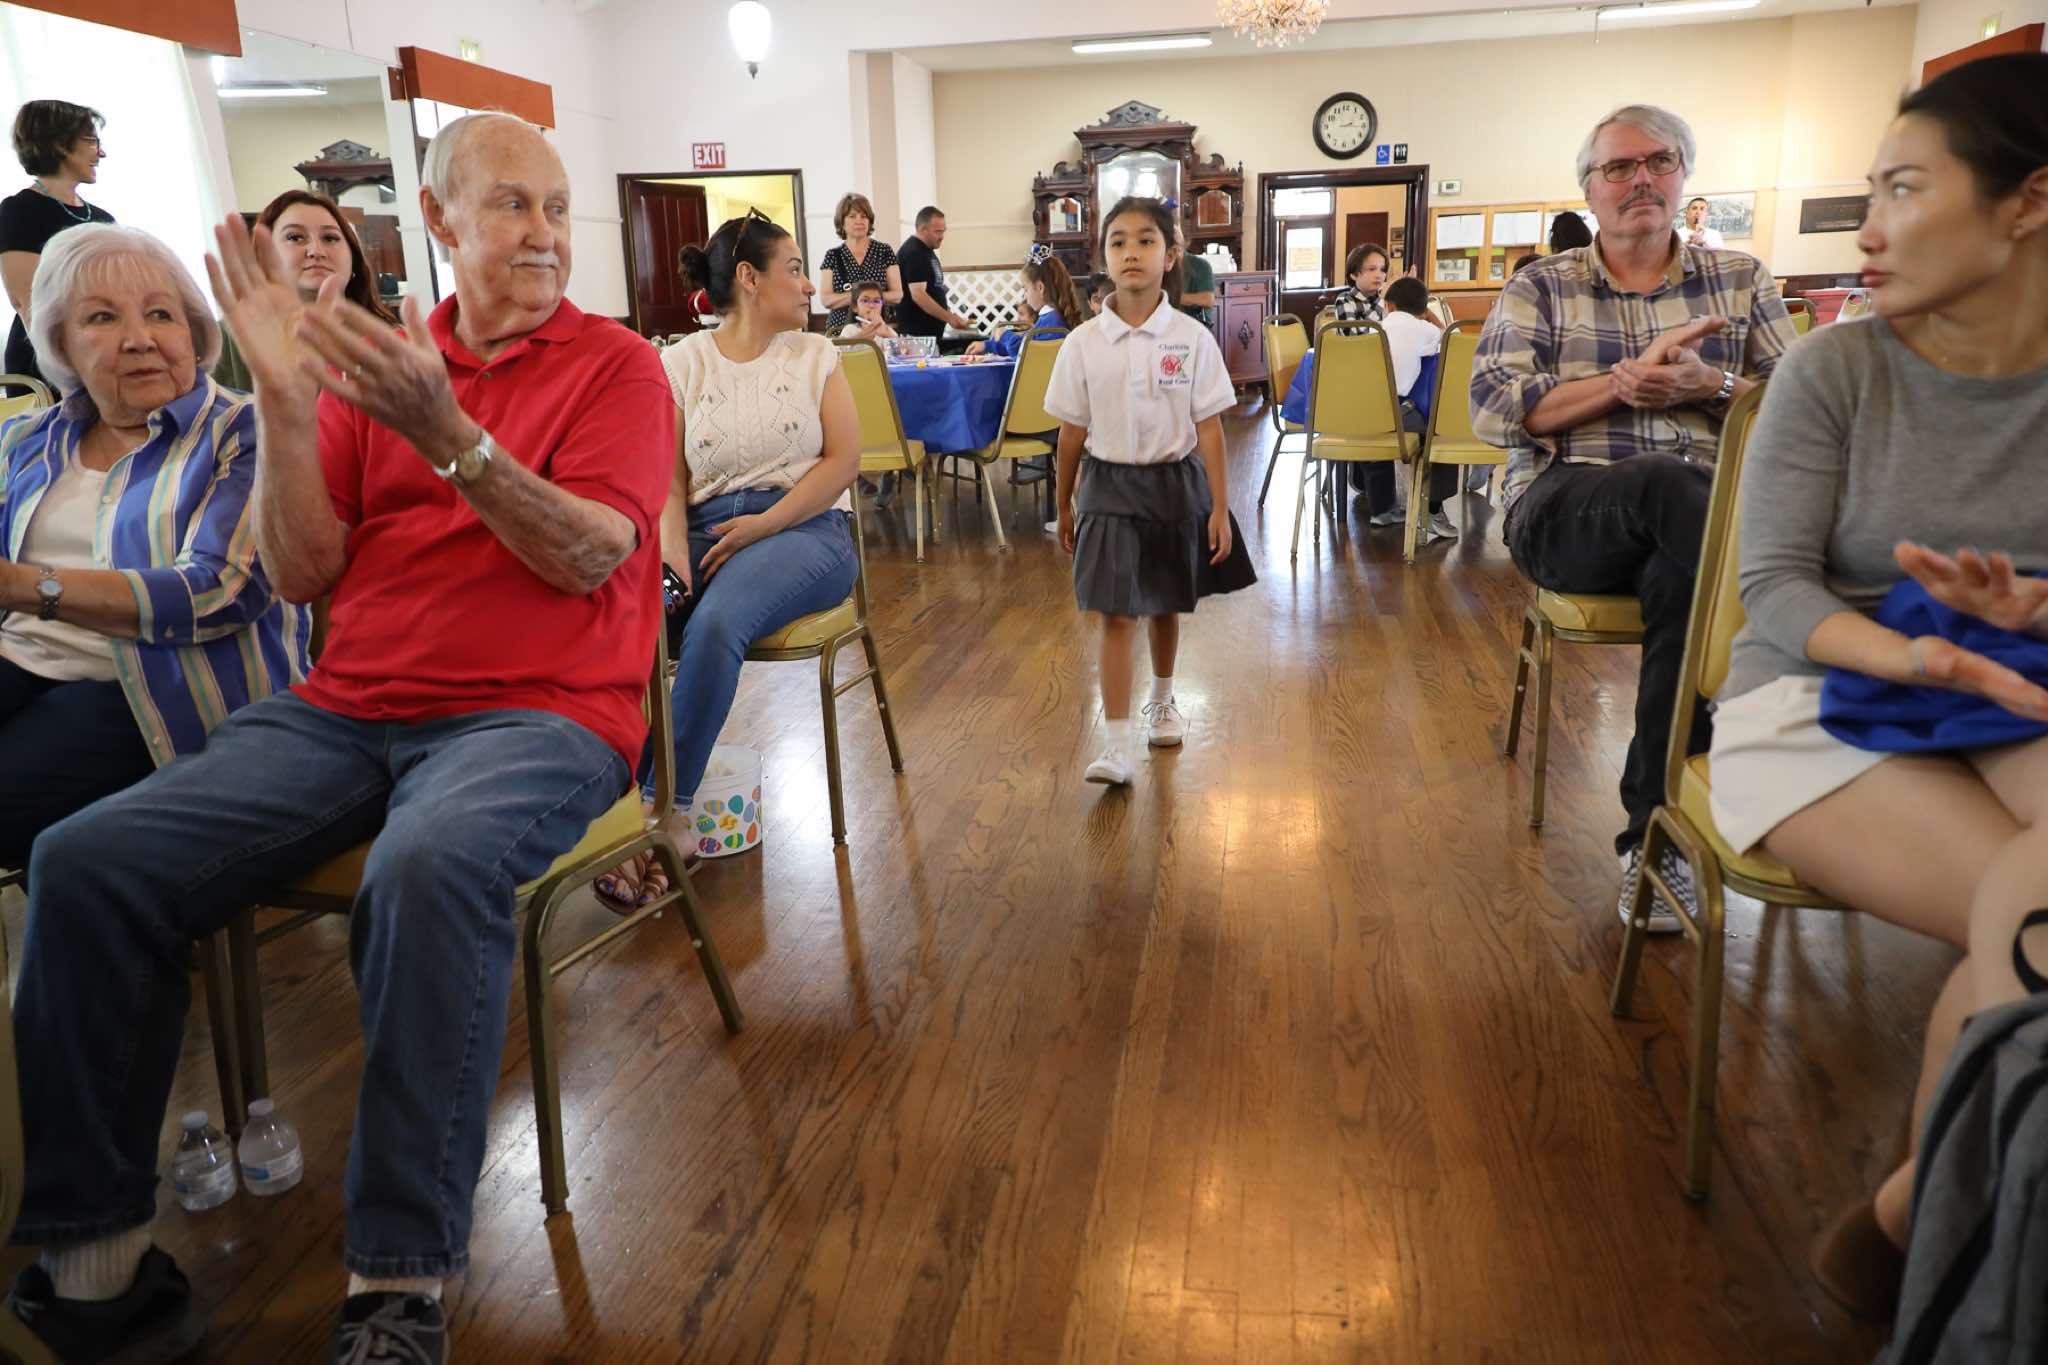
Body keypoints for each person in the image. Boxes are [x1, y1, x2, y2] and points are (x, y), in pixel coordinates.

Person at [3, 112, 670, 1365]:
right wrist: (284, 398)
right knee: (84, 859)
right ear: (439, 219)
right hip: (346, 708)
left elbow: (589, 557)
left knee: (428, 865)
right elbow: (304, 573)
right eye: (511, 203)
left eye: (554, 205)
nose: (542, 233)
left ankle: (395, 1285)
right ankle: (95, 1267)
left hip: (541, 712)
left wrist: (448, 434)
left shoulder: (617, 366)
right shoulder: (377, 363)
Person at [1705, 52, 2048, 1320]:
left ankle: (1914, 1223)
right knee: (2031, 927)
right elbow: (1775, 592)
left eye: (1902, 188)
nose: (1868, 227)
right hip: (1811, 699)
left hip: (2008, 691)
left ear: (2026, 202)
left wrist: (2027, 615)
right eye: (1870, 191)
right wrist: (1912, 652)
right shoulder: (1833, 371)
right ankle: (1953, 1264)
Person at [1471, 103, 1797, 930]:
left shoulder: (1740, 278)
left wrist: (1713, 386)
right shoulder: (1542, 284)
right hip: (1566, 505)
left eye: (1658, 161)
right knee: (1664, 485)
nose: (1640, 179)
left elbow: (1801, 414)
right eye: (1619, 167)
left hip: (1701, 526)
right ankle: (1799, 679)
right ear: (1589, 189)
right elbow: (1493, 406)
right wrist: (1621, 385)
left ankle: (1655, 840)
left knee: (1681, 578)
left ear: (1685, 176)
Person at [0, 224, 308, 870]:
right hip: (20, 659)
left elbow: (218, 590)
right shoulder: (29, 439)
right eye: (102, 317)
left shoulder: (245, 430)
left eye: (161, 315)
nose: (139, 338)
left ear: (194, 333)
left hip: (158, 688)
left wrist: (26, 586)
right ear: (60, 342)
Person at [596, 210, 860, 908]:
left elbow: (843, 462)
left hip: (806, 530)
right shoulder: (681, 362)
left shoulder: (816, 355)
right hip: (703, 533)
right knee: (625, 617)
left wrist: (764, 523)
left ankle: (665, 814)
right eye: (795, 269)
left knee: (715, 624)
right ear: (750, 278)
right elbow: (667, 482)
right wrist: (673, 558)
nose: (808, 284)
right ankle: (607, 806)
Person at [1046, 196, 1256, 787]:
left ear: (1170, 256)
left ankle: (1162, 702)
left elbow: (1210, 427)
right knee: (1114, 613)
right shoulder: (1082, 343)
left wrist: (1220, 507)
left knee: (1165, 602)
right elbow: (1071, 432)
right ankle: (1116, 747)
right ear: (1104, 258)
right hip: (1107, 486)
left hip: (1174, 484)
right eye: (1118, 242)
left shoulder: (1191, 338)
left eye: (1145, 240)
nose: (1131, 252)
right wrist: (1062, 503)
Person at [215, 188, 398, 390]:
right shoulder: (225, 340)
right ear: (264, 255)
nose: (316, 251)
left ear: (353, 258)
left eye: (330, 238)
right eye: (295, 237)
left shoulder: (393, 341)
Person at [2, 101, 112, 391]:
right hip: (45, 365)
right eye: (92, 142)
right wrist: (66, 373)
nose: (101, 153)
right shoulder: (20, 210)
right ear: (61, 144)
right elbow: (26, 301)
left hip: (98, 354)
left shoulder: (104, 219)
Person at [1358, 276, 1458, 543]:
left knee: (1374, 427)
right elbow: (1455, 341)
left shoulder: (1374, 329)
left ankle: (1381, 509)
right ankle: (1433, 509)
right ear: (1424, 310)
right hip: (1405, 415)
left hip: (1367, 417)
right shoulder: (1427, 331)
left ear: (1388, 305)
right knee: (1441, 427)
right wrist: (1433, 320)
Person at [965, 245, 1085, 357]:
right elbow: (1024, 342)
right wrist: (988, 346)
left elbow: (1027, 353)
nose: (1024, 296)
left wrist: (1004, 336)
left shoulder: (1052, 322)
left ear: (1040, 287)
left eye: (1026, 289)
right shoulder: (1049, 318)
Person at [817, 192, 901, 335]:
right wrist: (863, 297)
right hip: (839, 330)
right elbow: (826, 300)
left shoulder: (884, 251)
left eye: (864, 216)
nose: (859, 221)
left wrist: (863, 299)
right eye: (852, 216)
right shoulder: (833, 255)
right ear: (842, 222)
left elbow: (897, 295)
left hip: (877, 328)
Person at [896, 205, 975, 348]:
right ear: (922, 230)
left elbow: (933, 290)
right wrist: (950, 318)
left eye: (943, 231)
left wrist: (950, 314)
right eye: (937, 231)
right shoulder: (914, 253)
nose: (942, 236)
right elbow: (919, 295)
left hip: (928, 336)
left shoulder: (926, 251)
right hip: (917, 336)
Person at [1330, 242, 1389, 322]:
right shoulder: (1345, 300)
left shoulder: (1388, 300)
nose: (1379, 275)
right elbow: (1355, 330)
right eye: (1371, 269)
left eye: (1382, 269)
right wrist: (1381, 300)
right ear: (1354, 275)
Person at [1174, 218, 1216, 325]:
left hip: (1196, 324)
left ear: (1184, 243)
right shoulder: (1159, 265)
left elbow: (1208, 300)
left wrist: (1174, 298)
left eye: (1177, 246)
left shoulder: (1201, 265)